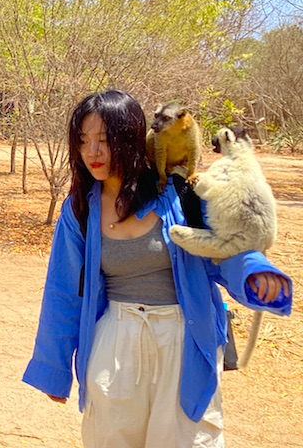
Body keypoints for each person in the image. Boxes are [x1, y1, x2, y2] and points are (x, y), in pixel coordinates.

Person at [22, 89, 292, 448]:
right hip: (115, 342)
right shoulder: (79, 211)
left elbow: (226, 247)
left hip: (183, 341)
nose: (93, 152)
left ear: (132, 138)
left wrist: (255, 273)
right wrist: (53, 370)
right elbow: (63, 290)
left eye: (104, 140)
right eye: (83, 141)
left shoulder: (176, 194)